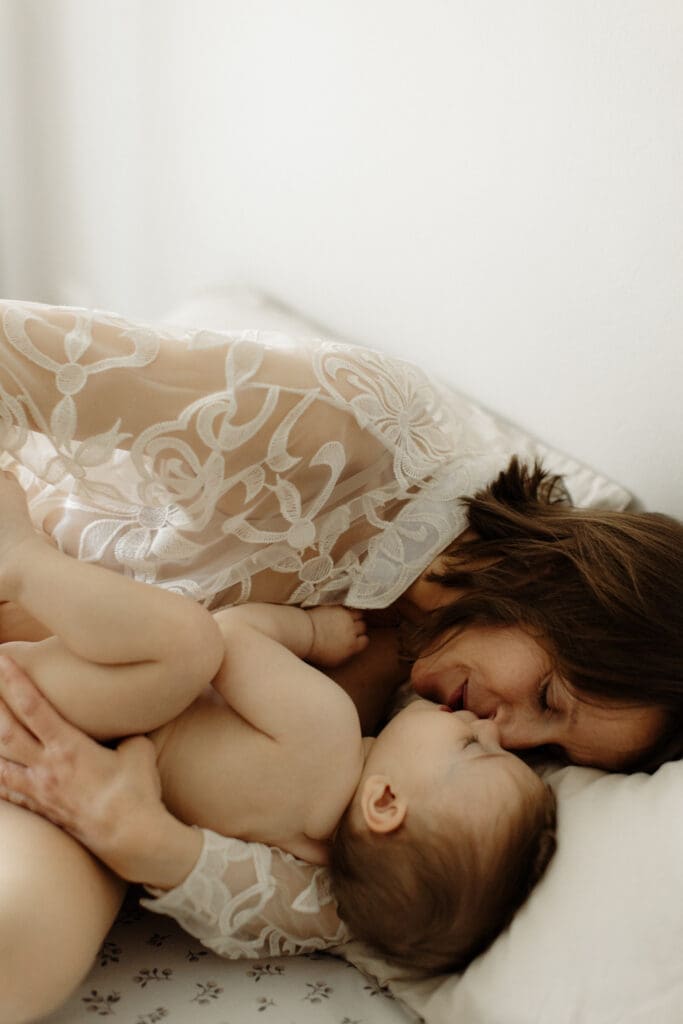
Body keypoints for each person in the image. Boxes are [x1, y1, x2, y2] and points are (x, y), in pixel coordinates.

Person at [0, 298, 680, 1021]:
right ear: (554, 585)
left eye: (551, 750)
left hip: (73, 742)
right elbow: (20, 357)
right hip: (24, 589)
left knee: (25, 944)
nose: (508, 735)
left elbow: (369, 900)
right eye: (546, 698)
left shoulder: (424, 724)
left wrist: (143, 836)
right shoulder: (346, 434)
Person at [0, 471, 556, 976]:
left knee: (191, 643)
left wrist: (312, 634)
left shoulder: (330, 734)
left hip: (89, 708)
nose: (491, 729)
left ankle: (16, 556)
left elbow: (235, 635)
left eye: (473, 746)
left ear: (385, 802)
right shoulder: (307, 852)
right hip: (81, 746)